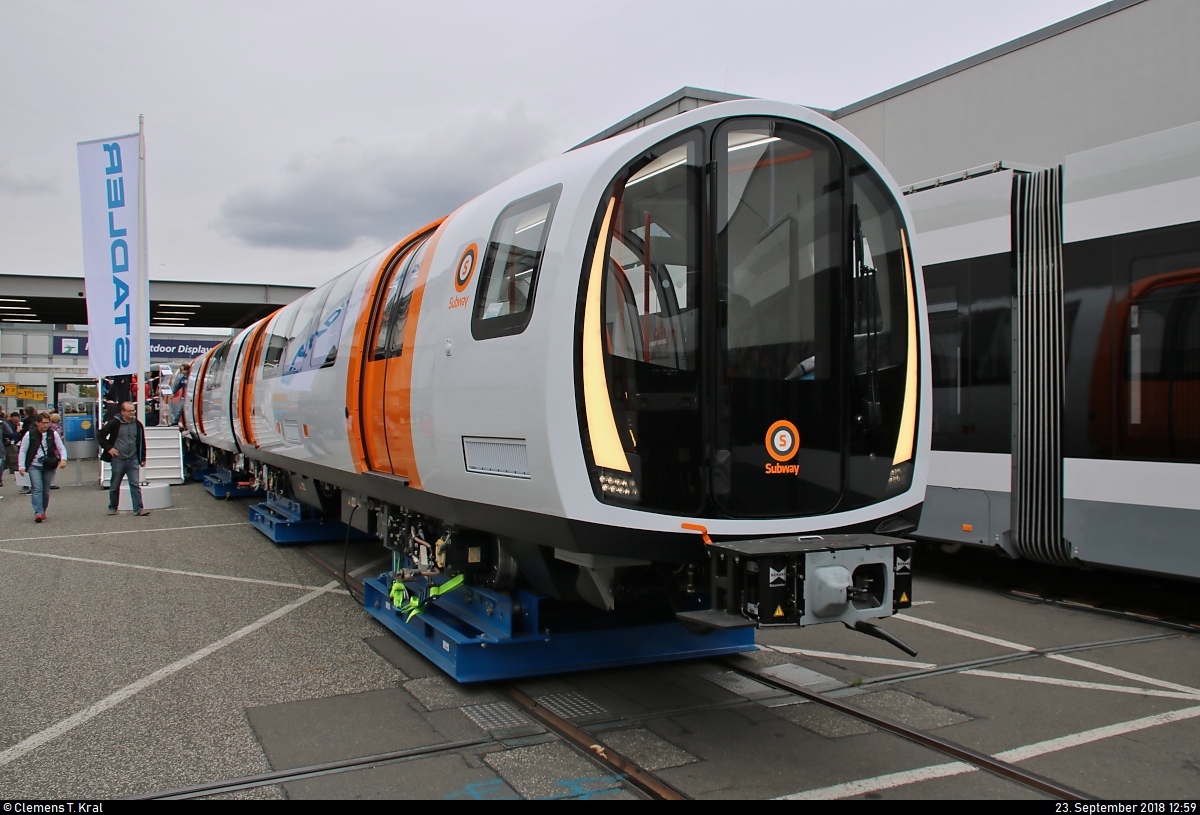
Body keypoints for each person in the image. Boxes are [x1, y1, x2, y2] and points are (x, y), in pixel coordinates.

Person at [98, 401, 150, 517]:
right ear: (123, 412)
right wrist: (108, 448)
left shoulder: (137, 424)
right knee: (115, 484)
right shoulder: (114, 424)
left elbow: (141, 441)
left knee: (135, 484)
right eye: (129, 411)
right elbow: (100, 435)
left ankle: (138, 508)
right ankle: (113, 507)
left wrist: (143, 456)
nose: (132, 413)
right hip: (118, 459)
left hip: (132, 459)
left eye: (133, 410)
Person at [17, 412, 68, 523]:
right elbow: (23, 451)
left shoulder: (53, 434)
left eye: (47, 423)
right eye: (43, 423)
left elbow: (61, 448)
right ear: (37, 423)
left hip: (49, 464)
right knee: (37, 488)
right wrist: (21, 466)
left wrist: (63, 459)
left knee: (46, 490)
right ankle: (38, 512)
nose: (45, 425)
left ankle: (43, 509)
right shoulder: (29, 434)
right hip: (34, 465)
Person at [170, 362, 191, 426]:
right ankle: (175, 421)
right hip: (184, 397)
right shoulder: (182, 378)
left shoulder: (190, 378)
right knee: (179, 409)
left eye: (183, 370)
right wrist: (173, 393)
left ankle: (189, 421)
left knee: (189, 409)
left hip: (189, 397)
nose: (181, 371)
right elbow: (177, 386)